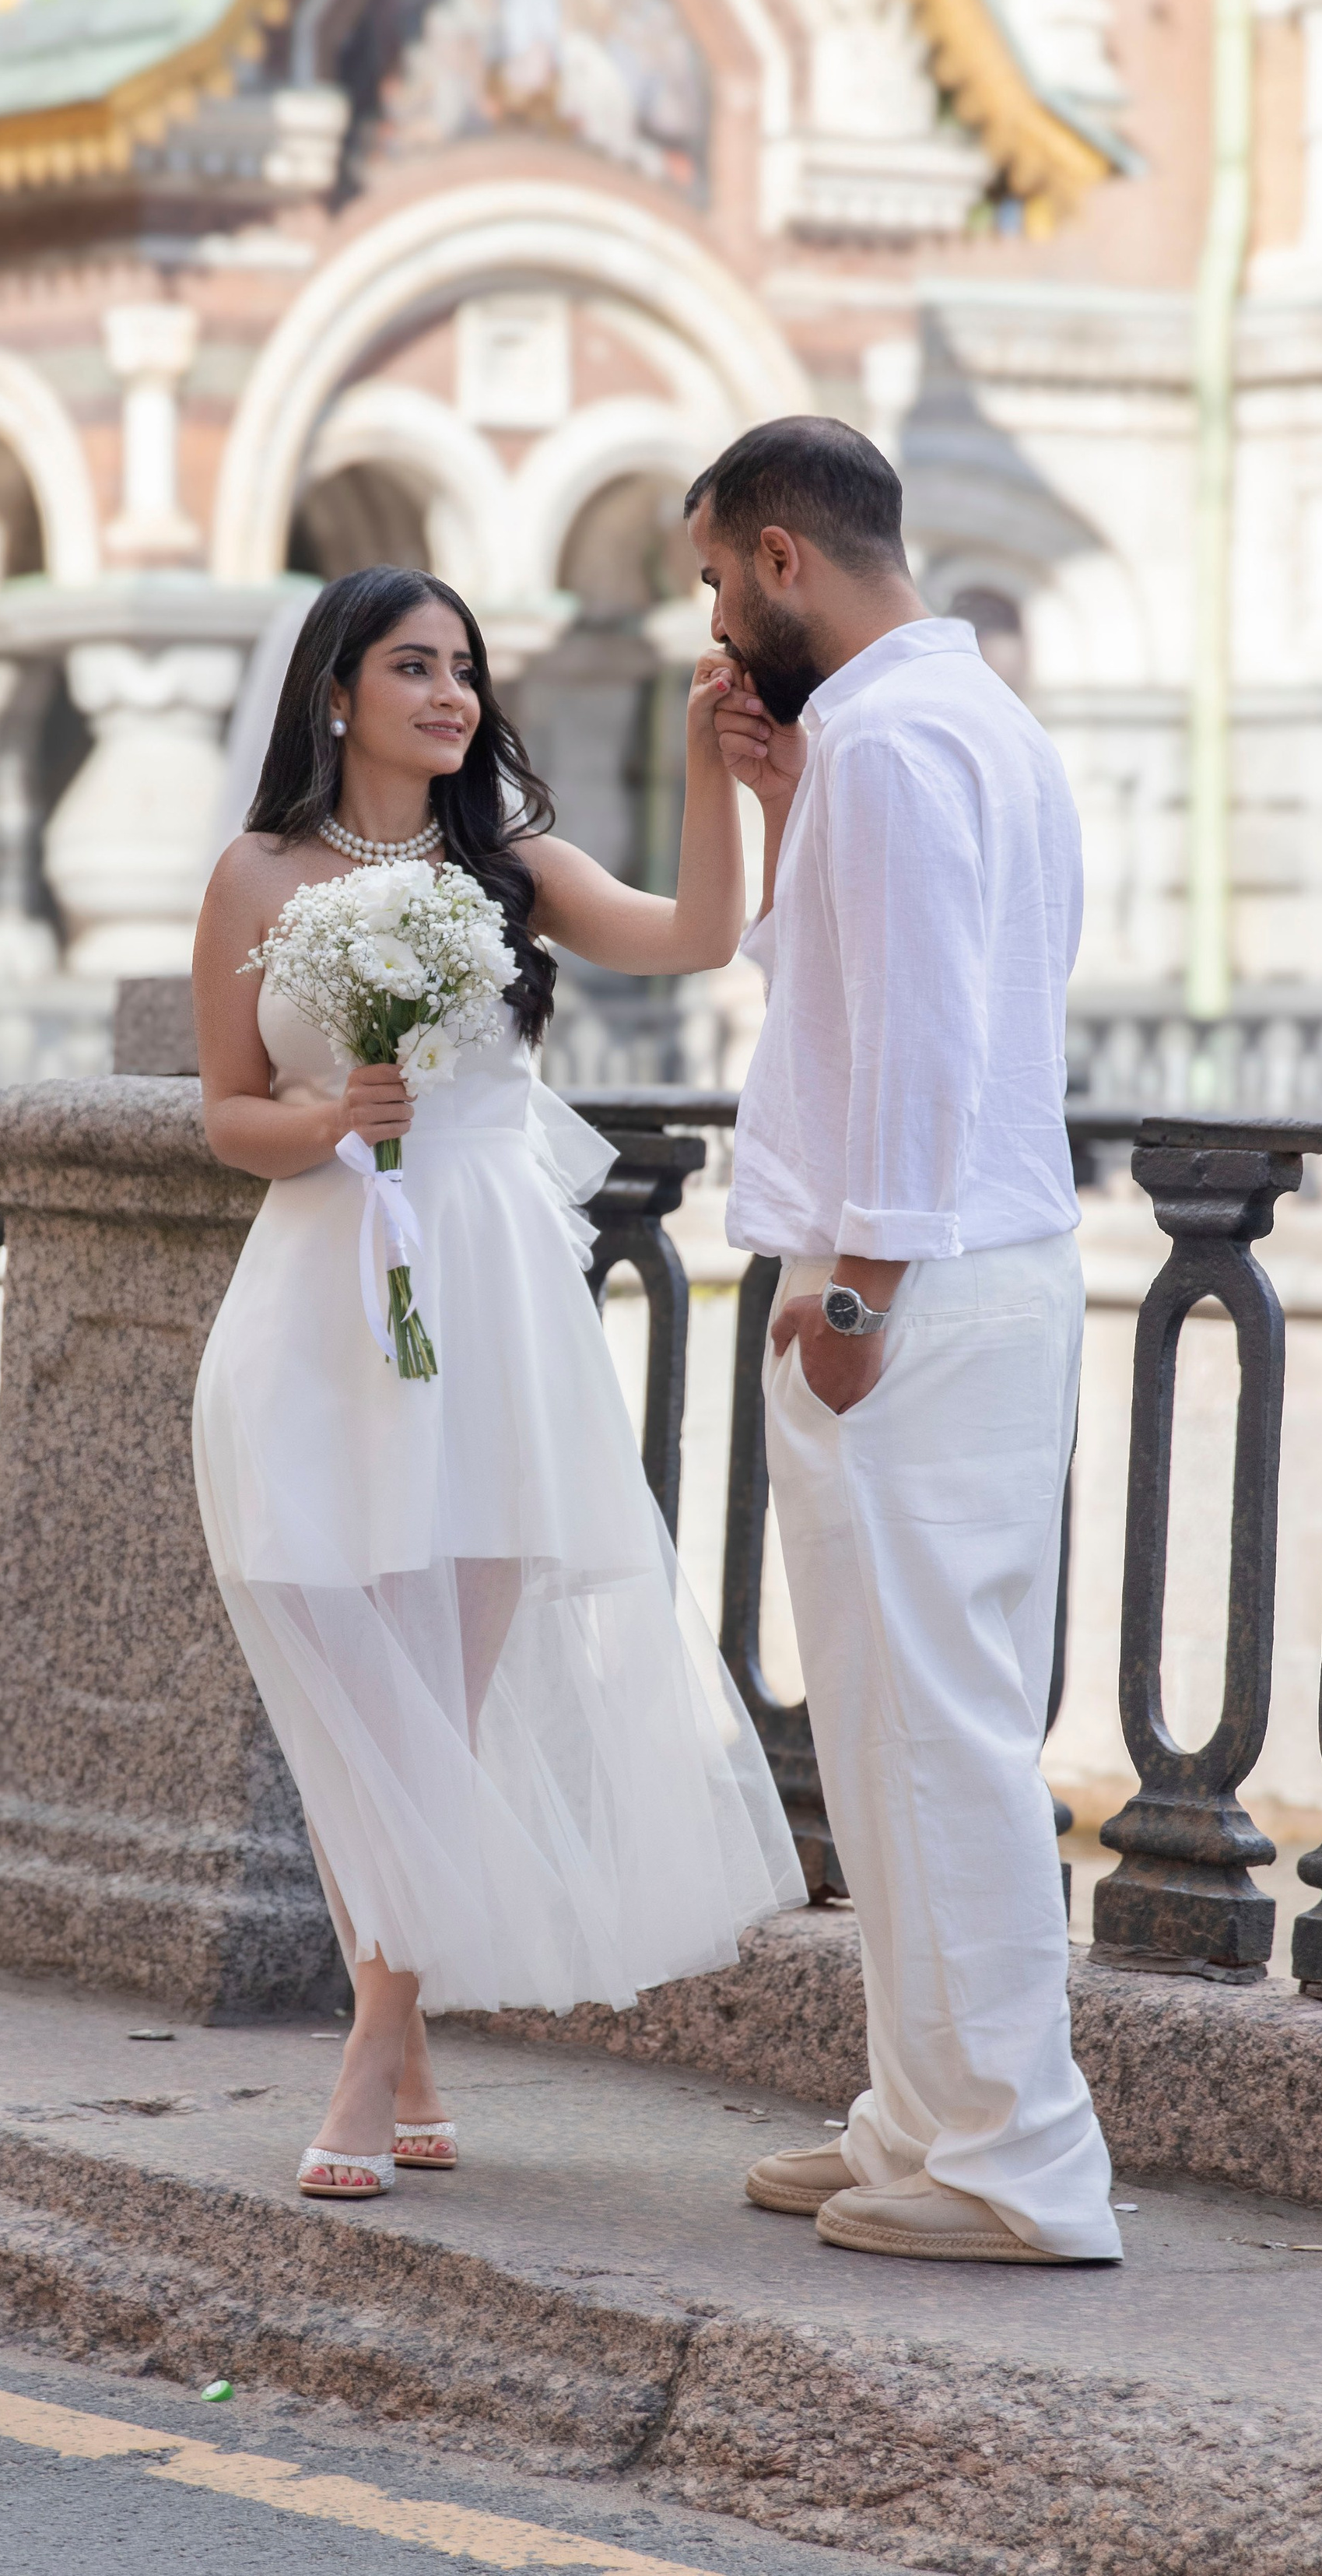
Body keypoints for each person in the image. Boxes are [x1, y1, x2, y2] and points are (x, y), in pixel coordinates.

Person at [191, 563, 805, 2201]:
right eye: (412, 666)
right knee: (347, 1696)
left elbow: (697, 937)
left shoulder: (507, 864)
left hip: (483, 1297)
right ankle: (403, 2040)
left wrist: (701, 756)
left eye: (462, 668)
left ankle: (360, 2057)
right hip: (320, 1292)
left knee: (438, 1701)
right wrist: (333, 1121)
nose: (450, 695)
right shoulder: (252, 874)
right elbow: (225, 1113)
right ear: (336, 692)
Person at [689, 415, 1123, 2267]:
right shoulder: (953, 725)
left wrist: (856, 1284)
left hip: (911, 1291)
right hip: (974, 1271)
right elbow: (857, 985)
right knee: (890, 1728)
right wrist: (779, 799)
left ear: (784, 557)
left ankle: (1012, 2164)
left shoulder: (888, 736)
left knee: (928, 1732)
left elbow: (930, 1038)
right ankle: (919, 2119)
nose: (710, 619)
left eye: (717, 577)